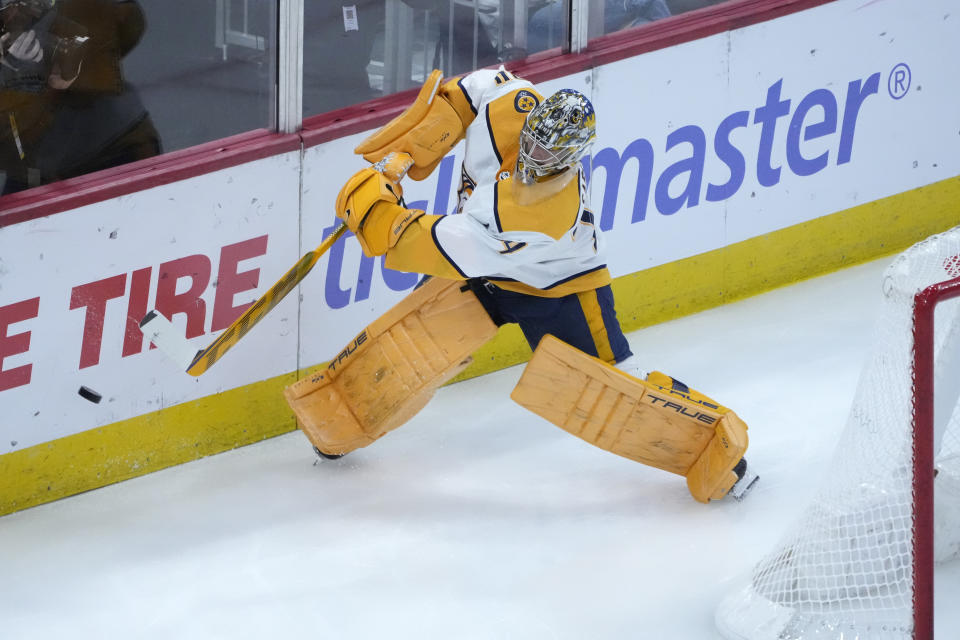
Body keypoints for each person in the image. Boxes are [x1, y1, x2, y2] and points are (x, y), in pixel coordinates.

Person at [292, 68, 757, 502]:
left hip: (559, 289)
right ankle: (336, 421)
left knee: (612, 389)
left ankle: (719, 453)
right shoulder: (511, 107)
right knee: (408, 343)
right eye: (532, 143)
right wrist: (417, 144)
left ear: (574, 157)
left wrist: (377, 213)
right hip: (487, 271)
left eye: (549, 156)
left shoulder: (539, 214)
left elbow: (418, 244)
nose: (534, 158)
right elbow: (476, 88)